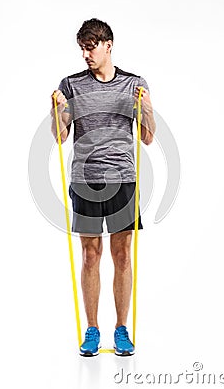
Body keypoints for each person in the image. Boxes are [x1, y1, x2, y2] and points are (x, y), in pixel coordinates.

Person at [50, 18, 156, 356]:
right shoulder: (71, 84)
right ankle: (92, 329)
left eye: (91, 47)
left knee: (122, 255)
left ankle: (121, 329)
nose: (86, 54)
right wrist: (57, 112)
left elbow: (148, 137)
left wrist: (148, 110)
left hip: (123, 178)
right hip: (85, 179)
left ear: (108, 46)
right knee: (90, 255)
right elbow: (61, 137)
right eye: (82, 48)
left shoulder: (133, 84)